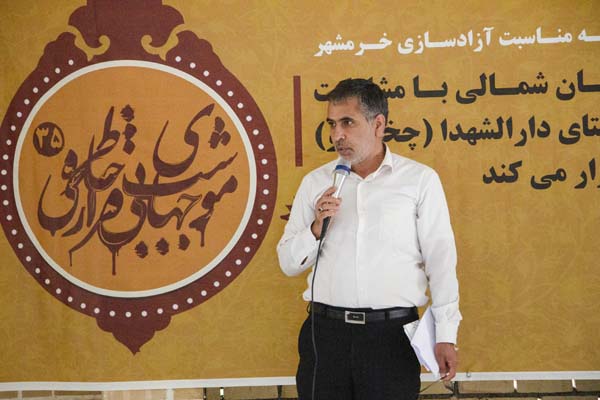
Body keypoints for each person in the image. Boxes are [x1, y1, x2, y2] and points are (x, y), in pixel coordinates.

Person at [277, 78, 461, 400]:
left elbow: (441, 261)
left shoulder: (419, 181)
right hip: (326, 336)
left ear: (378, 125)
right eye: (332, 124)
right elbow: (288, 263)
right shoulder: (315, 183)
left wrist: (446, 334)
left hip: (391, 338)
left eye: (348, 122)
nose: (337, 135)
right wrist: (315, 230)